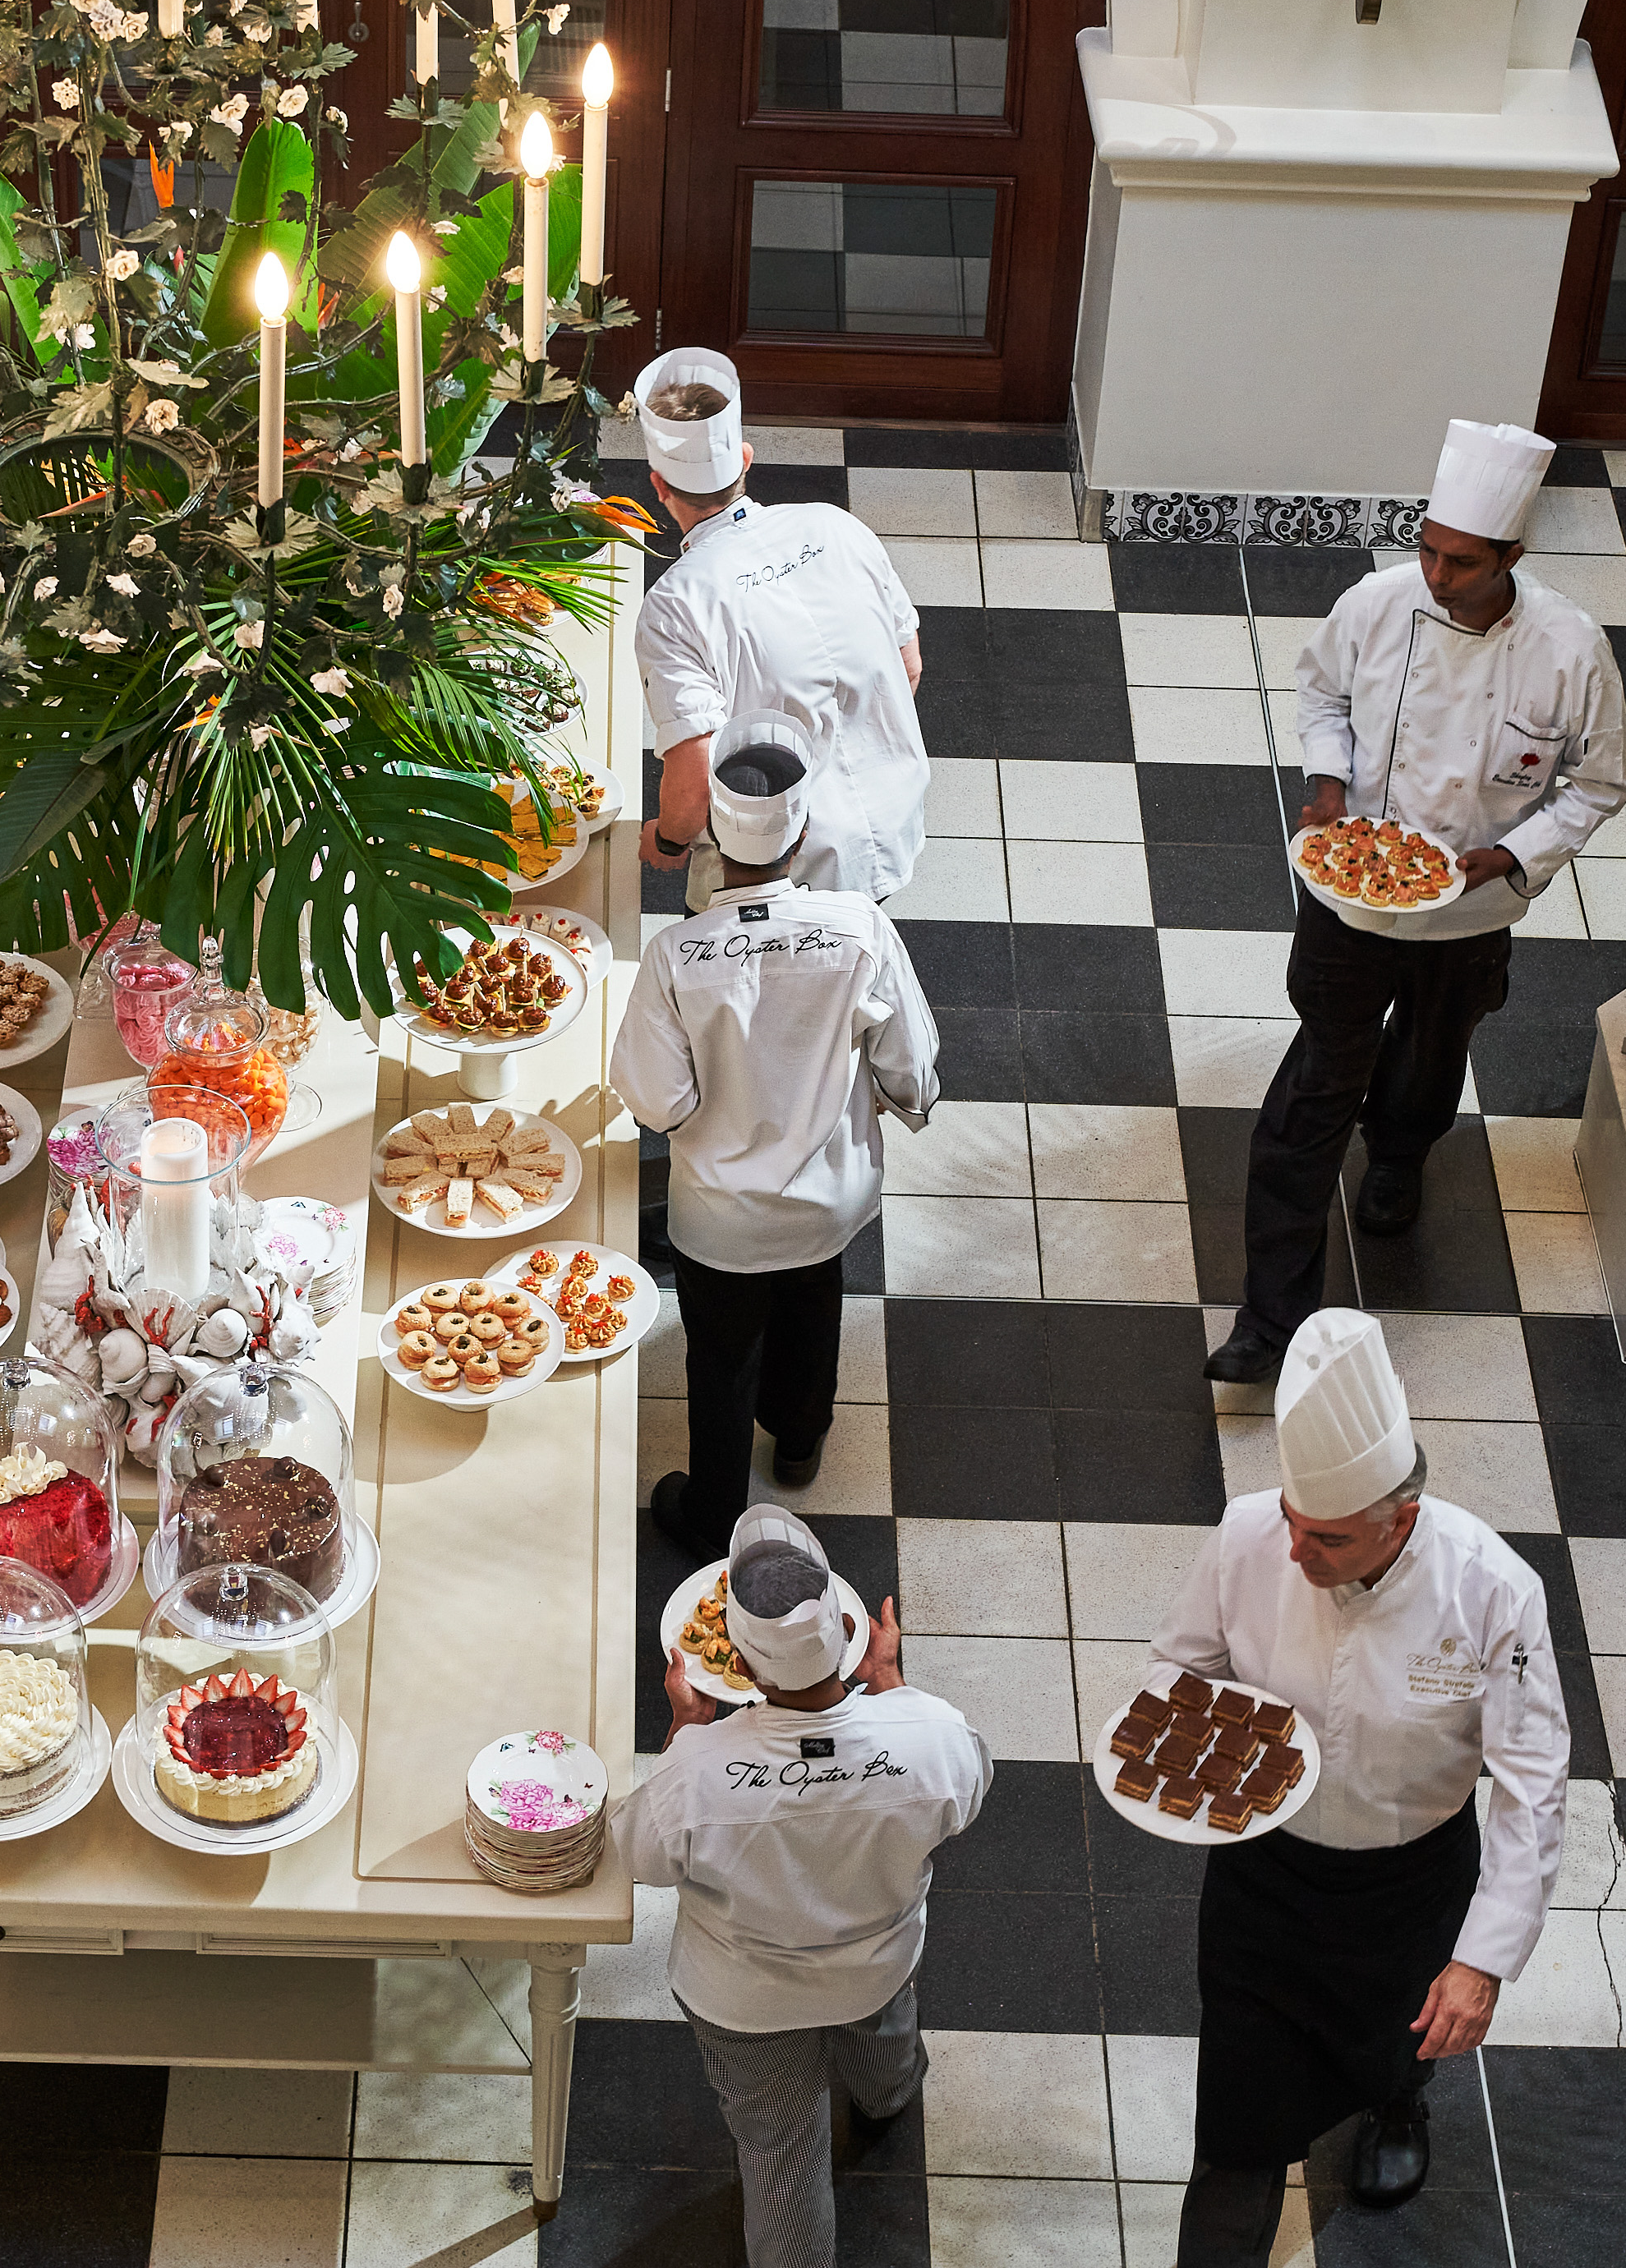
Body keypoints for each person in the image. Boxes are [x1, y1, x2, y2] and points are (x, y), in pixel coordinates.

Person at [1205, 420, 1626, 1388]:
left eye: (1462, 562)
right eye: (1429, 550)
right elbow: (1320, 695)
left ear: (1511, 557)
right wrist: (1327, 782)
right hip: (1353, 897)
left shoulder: (1570, 650)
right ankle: (1269, 1322)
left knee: (1433, 1055)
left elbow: (1600, 784)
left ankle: (1399, 1153)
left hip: (1471, 913)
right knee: (1317, 1085)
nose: (1436, 576)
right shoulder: (1376, 604)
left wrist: (1510, 856)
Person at [1153, 1310, 1568, 2265]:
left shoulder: (1493, 1591)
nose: (1299, 1555)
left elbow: (1533, 1785)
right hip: (1265, 1870)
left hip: (1408, 1882)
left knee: (1397, 2041)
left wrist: (1483, 1962)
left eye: (1330, 1540)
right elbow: (1179, 1667)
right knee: (1239, 2121)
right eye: (1295, 1525)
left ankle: (1397, 2103)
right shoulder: (1249, 1535)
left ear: (1401, 1520)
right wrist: (1192, 1757)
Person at [621, 1506, 989, 2268]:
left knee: (782, 2156)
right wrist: (892, 1688)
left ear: (741, 1666)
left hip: (745, 2001)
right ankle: (888, 2099)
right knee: (882, 2034)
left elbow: (640, 1857)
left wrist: (685, 1731)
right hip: (876, 1967)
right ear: (849, 1634)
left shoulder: (695, 1771)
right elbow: (965, 1796)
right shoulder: (934, 1737)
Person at [615, 724, 941, 1559]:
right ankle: (797, 1444)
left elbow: (656, 1098)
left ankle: (713, 1511)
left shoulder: (675, 955)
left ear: (714, 840)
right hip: (830, 1196)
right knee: (813, 1301)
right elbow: (910, 1064)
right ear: (803, 835)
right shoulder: (859, 928)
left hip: (719, 1217)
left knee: (721, 1355)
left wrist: (708, 1115)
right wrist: (899, 1102)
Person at [628, 347, 931, 907]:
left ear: (660, 486)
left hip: (775, 868)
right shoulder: (837, 525)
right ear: (746, 459)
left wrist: (668, 840)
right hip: (893, 824)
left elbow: (693, 777)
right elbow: (907, 665)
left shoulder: (672, 605)